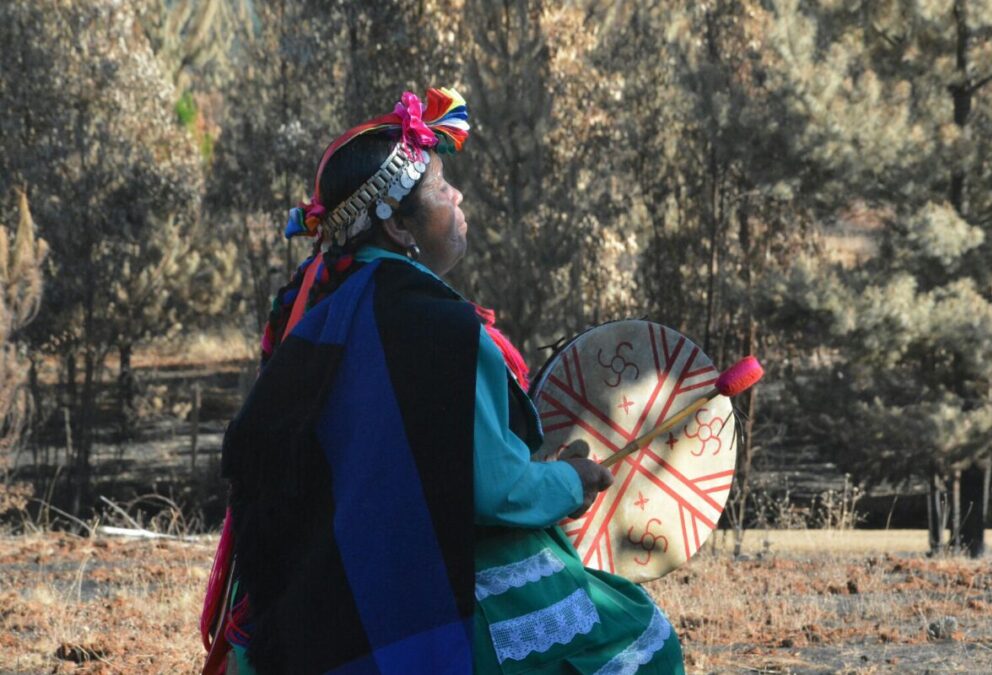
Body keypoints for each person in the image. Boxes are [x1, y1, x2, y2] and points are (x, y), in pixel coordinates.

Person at [200, 88, 684, 675]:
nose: (456, 196)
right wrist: (565, 482)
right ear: (400, 228)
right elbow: (494, 492)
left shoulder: (312, 317)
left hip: (316, 590)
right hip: (413, 602)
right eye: (438, 187)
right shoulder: (444, 330)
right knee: (641, 633)